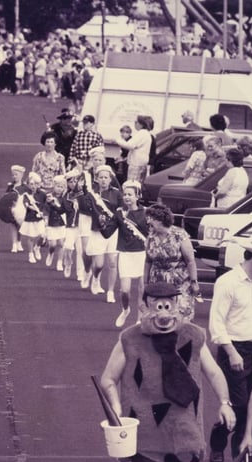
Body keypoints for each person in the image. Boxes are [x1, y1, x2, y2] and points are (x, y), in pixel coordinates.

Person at [100, 282, 235, 462]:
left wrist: (225, 404)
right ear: (145, 307)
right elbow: (108, 379)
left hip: (182, 426)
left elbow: (214, 373)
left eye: (168, 305)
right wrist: (116, 409)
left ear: (177, 306)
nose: (163, 313)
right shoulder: (130, 339)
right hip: (142, 425)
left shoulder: (193, 336)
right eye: (157, 305)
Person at [208, 238, 252, 462]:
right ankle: (220, 445)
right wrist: (232, 352)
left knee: (251, 408)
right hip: (234, 349)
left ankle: (241, 458)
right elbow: (216, 324)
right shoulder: (228, 282)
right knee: (241, 406)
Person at [100, 181, 148, 327]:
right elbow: (108, 233)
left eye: (130, 194)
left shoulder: (146, 212)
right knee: (125, 290)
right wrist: (102, 224)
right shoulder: (120, 213)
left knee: (142, 289)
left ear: (137, 196)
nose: (126, 197)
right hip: (126, 253)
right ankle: (125, 310)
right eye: (125, 194)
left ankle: (140, 318)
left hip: (143, 254)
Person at [144, 203, 201, 321]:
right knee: (161, 317)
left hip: (179, 283)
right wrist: (145, 283)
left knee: (182, 315)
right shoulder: (150, 237)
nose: (148, 222)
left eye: (151, 219)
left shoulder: (179, 235)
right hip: (158, 283)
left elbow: (190, 261)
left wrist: (194, 282)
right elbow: (148, 261)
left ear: (160, 220)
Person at [83, 165, 122, 301]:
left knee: (112, 262)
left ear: (110, 179)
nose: (104, 180)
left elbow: (122, 210)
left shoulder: (116, 193)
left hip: (113, 231)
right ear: (97, 179)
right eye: (101, 177)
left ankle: (110, 291)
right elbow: (86, 209)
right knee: (99, 264)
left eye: (106, 177)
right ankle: (95, 278)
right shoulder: (92, 193)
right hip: (98, 230)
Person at [114, 115, 152, 184]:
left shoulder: (142, 133)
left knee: (131, 183)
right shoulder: (146, 133)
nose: (135, 124)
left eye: (136, 122)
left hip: (136, 164)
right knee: (137, 184)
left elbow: (129, 145)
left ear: (141, 124)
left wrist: (118, 140)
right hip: (140, 164)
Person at [19, 172, 47, 264]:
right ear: (28, 185)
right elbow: (27, 205)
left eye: (36, 184)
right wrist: (34, 208)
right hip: (30, 219)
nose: (34, 186)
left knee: (43, 236)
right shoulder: (26, 195)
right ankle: (30, 254)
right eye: (31, 184)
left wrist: (43, 213)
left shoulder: (43, 194)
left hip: (40, 219)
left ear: (39, 184)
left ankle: (37, 247)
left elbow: (46, 205)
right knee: (31, 237)